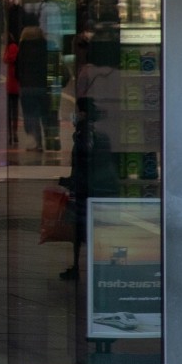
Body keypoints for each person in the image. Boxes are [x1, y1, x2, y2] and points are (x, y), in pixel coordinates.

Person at [61, 97, 120, 281]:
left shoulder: (85, 133)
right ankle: (83, 266)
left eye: (77, 111)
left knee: (82, 229)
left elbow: (85, 159)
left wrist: (71, 181)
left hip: (87, 188)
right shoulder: (96, 132)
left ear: (83, 113)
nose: (74, 115)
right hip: (96, 186)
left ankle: (83, 267)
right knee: (87, 229)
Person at [15, 24, 50, 151]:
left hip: (27, 86)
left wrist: (22, 80)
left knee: (31, 115)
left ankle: (37, 142)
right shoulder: (46, 47)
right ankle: (49, 138)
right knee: (45, 114)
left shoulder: (22, 49)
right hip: (44, 86)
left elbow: (17, 69)